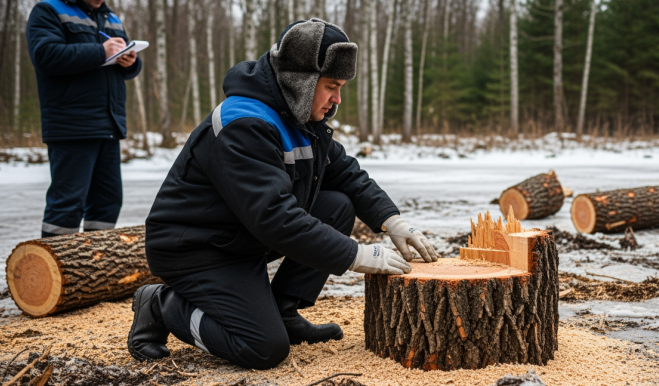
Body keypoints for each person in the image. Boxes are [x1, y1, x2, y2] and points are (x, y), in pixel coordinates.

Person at [128, 19, 437, 369]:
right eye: (331, 86)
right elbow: (275, 218)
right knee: (262, 348)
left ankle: (283, 310)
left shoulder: (298, 116)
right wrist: (355, 254)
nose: (337, 99)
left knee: (336, 206)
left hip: (239, 235)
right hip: (199, 249)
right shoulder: (244, 123)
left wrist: (392, 220)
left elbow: (345, 172)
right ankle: (163, 305)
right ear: (300, 82)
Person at [27, 0, 141, 238]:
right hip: (71, 126)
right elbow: (46, 56)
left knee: (107, 203)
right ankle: (54, 273)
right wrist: (100, 51)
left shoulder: (111, 17)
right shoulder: (48, 11)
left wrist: (131, 62)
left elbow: (122, 66)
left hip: (109, 125)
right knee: (67, 204)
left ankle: (94, 270)